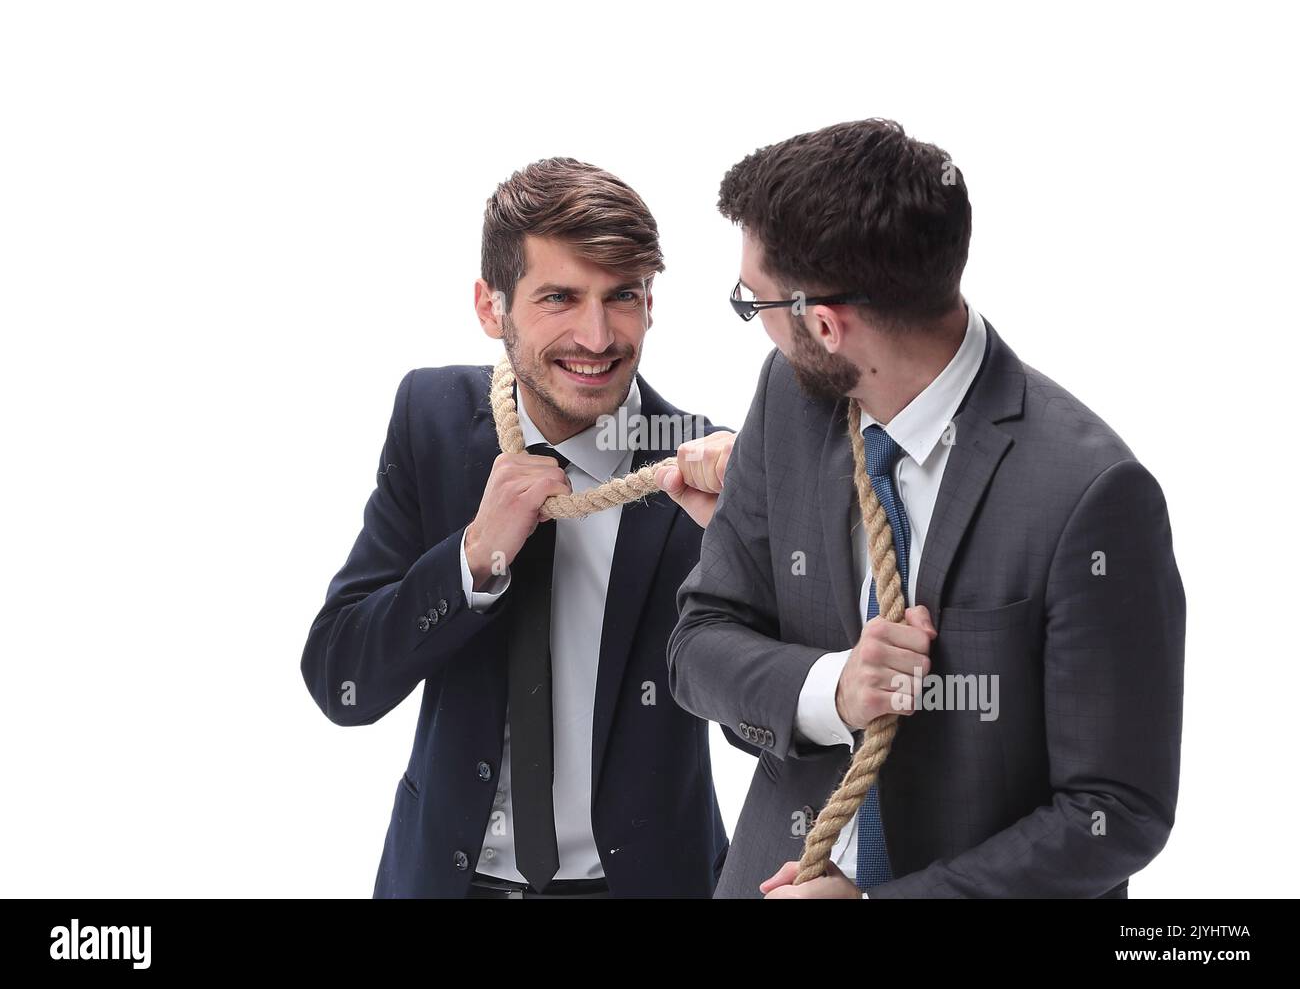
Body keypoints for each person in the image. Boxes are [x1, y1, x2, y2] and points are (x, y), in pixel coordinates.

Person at [667, 119, 1186, 898]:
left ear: (825, 324)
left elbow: (1115, 812)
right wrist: (832, 688)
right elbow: (698, 645)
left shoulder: (1093, 494)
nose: (761, 329)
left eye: (756, 303)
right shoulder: (791, 403)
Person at [301, 157, 741, 898]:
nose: (597, 336)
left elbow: (754, 726)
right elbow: (342, 679)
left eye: (621, 296)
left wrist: (745, 547)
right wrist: (472, 557)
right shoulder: (432, 419)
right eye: (560, 297)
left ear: (651, 302)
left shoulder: (708, 468)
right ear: (490, 307)